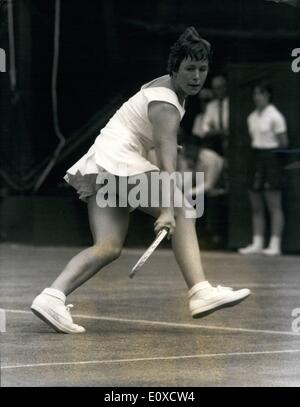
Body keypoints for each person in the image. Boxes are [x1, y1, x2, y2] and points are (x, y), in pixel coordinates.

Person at [31, 27, 250, 334]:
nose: (197, 76)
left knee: (107, 246)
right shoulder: (167, 105)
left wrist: (161, 150)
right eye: (189, 69)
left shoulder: (163, 90)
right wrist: (166, 209)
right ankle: (200, 291)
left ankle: (51, 296)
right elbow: (166, 163)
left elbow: (144, 132)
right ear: (174, 69)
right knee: (185, 208)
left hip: (104, 164)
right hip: (118, 162)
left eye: (202, 69)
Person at [239, 82, 288, 256]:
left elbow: (283, 143)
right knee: (256, 205)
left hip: (272, 159)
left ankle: (275, 244)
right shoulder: (251, 117)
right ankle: (257, 243)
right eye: (255, 94)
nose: (256, 97)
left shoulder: (276, 116)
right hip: (255, 158)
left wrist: (271, 157)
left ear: (268, 95)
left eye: (260, 93)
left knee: (274, 205)